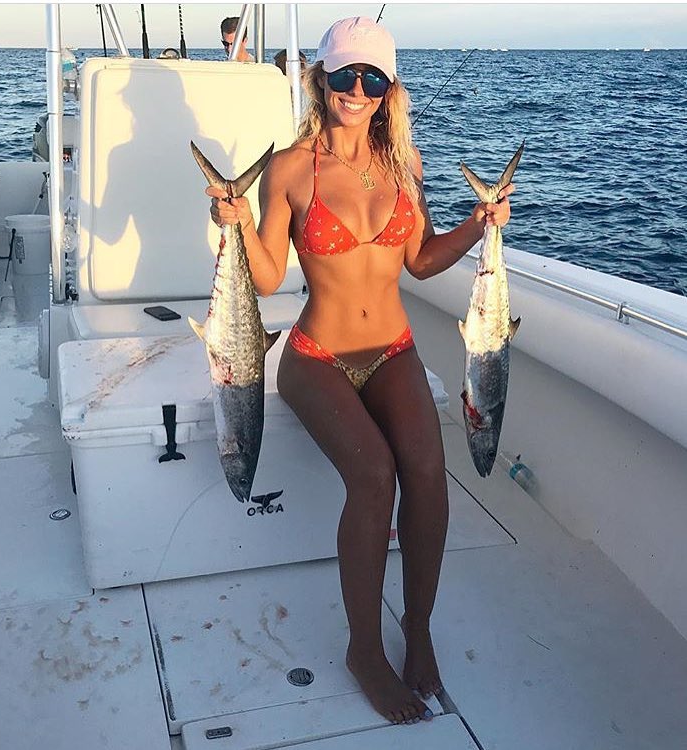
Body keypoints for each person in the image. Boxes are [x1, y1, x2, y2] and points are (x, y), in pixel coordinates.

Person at [206, 16, 514, 725]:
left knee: (430, 476)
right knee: (375, 477)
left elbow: (421, 260)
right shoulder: (289, 168)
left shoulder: (406, 164)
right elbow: (265, 274)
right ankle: (364, 651)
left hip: (393, 350)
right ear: (319, 78)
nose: (355, 89)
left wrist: (479, 224)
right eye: (343, 74)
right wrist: (237, 222)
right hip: (316, 357)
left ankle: (421, 628)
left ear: (387, 90)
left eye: (371, 78)